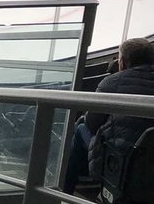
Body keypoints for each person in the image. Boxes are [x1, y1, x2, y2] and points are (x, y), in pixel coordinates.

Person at [64, 38, 154, 194]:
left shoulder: (111, 83)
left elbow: (92, 123)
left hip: (120, 158)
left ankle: (64, 191)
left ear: (124, 62)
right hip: (148, 159)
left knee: (80, 129)